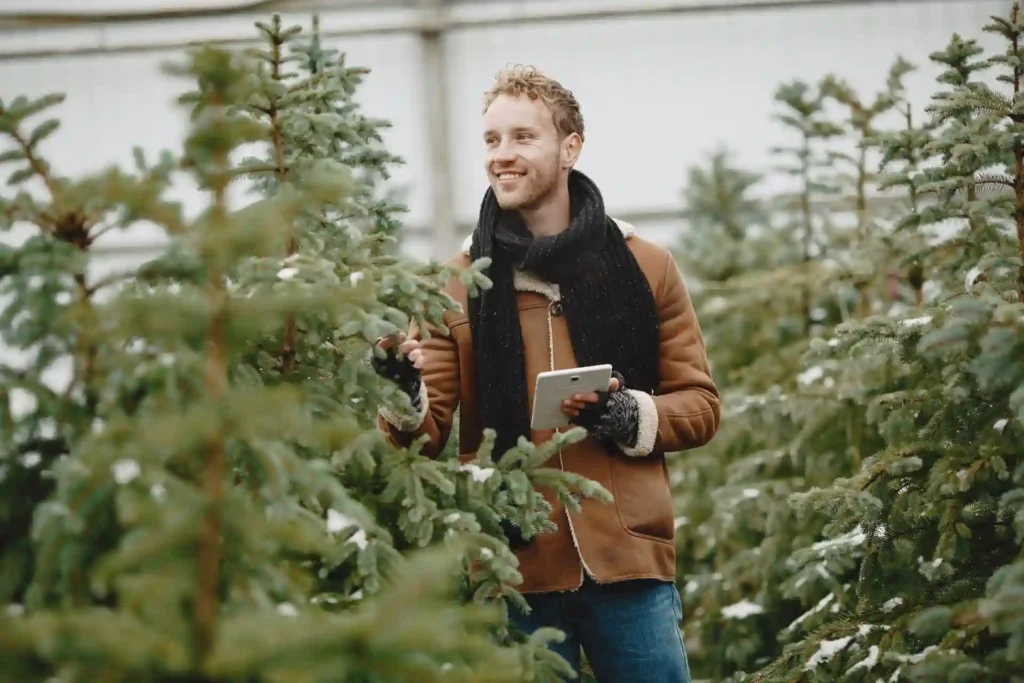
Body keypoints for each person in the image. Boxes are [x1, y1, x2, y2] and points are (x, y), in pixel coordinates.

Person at [371, 64, 720, 682]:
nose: (502, 156)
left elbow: (700, 404)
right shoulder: (459, 283)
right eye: (491, 140)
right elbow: (425, 436)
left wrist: (631, 414)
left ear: (570, 148)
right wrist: (404, 393)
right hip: (513, 566)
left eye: (522, 138)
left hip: (628, 559)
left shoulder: (645, 265)